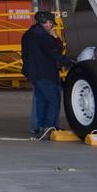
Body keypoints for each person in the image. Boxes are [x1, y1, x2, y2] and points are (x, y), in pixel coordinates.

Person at [21, 10, 74, 138]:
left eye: (50, 23)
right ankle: (50, 127)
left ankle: (39, 127)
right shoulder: (43, 36)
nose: (49, 25)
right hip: (45, 72)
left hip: (33, 73)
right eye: (48, 22)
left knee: (41, 100)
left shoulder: (28, 34)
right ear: (42, 22)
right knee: (53, 99)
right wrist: (70, 62)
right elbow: (55, 52)